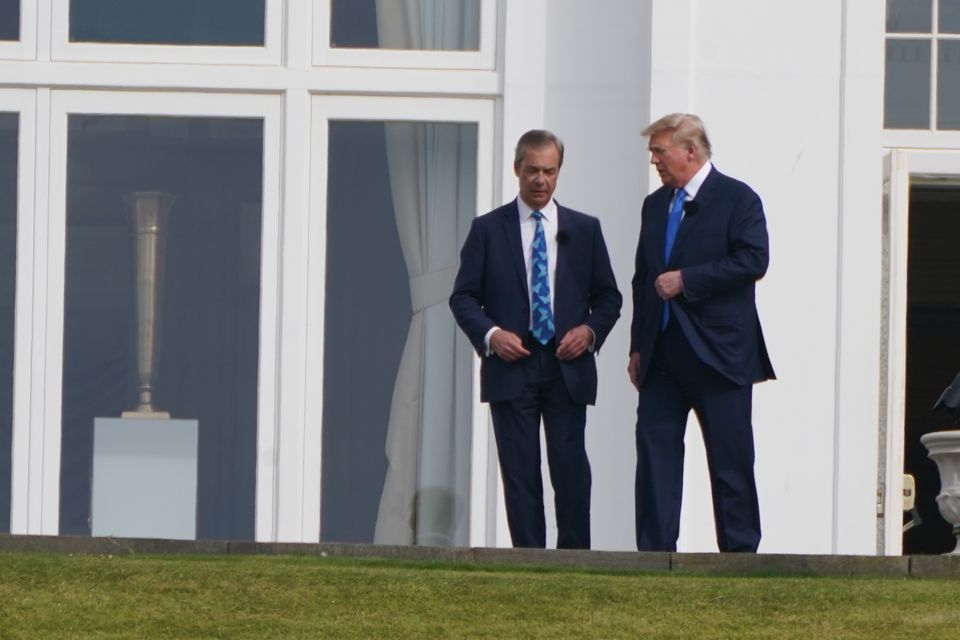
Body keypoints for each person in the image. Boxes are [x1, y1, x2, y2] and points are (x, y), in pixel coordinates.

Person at [450, 129, 622, 549]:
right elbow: (463, 297)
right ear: (516, 170)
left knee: (570, 467)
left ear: (559, 172)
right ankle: (529, 559)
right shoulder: (488, 229)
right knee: (520, 471)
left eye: (549, 171)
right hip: (512, 366)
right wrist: (492, 335)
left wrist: (589, 332)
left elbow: (609, 298)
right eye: (532, 171)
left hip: (567, 366)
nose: (540, 180)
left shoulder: (585, 229)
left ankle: (575, 557)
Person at [627, 114, 775, 553]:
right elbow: (642, 278)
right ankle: (654, 558)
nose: (654, 159)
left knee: (731, 461)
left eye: (660, 151)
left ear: (690, 151)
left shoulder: (737, 199)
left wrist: (687, 280)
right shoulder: (655, 205)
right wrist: (638, 345)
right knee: (655, 457)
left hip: (720, 354)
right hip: (662, 355)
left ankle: (739, 558)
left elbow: (753, 260)